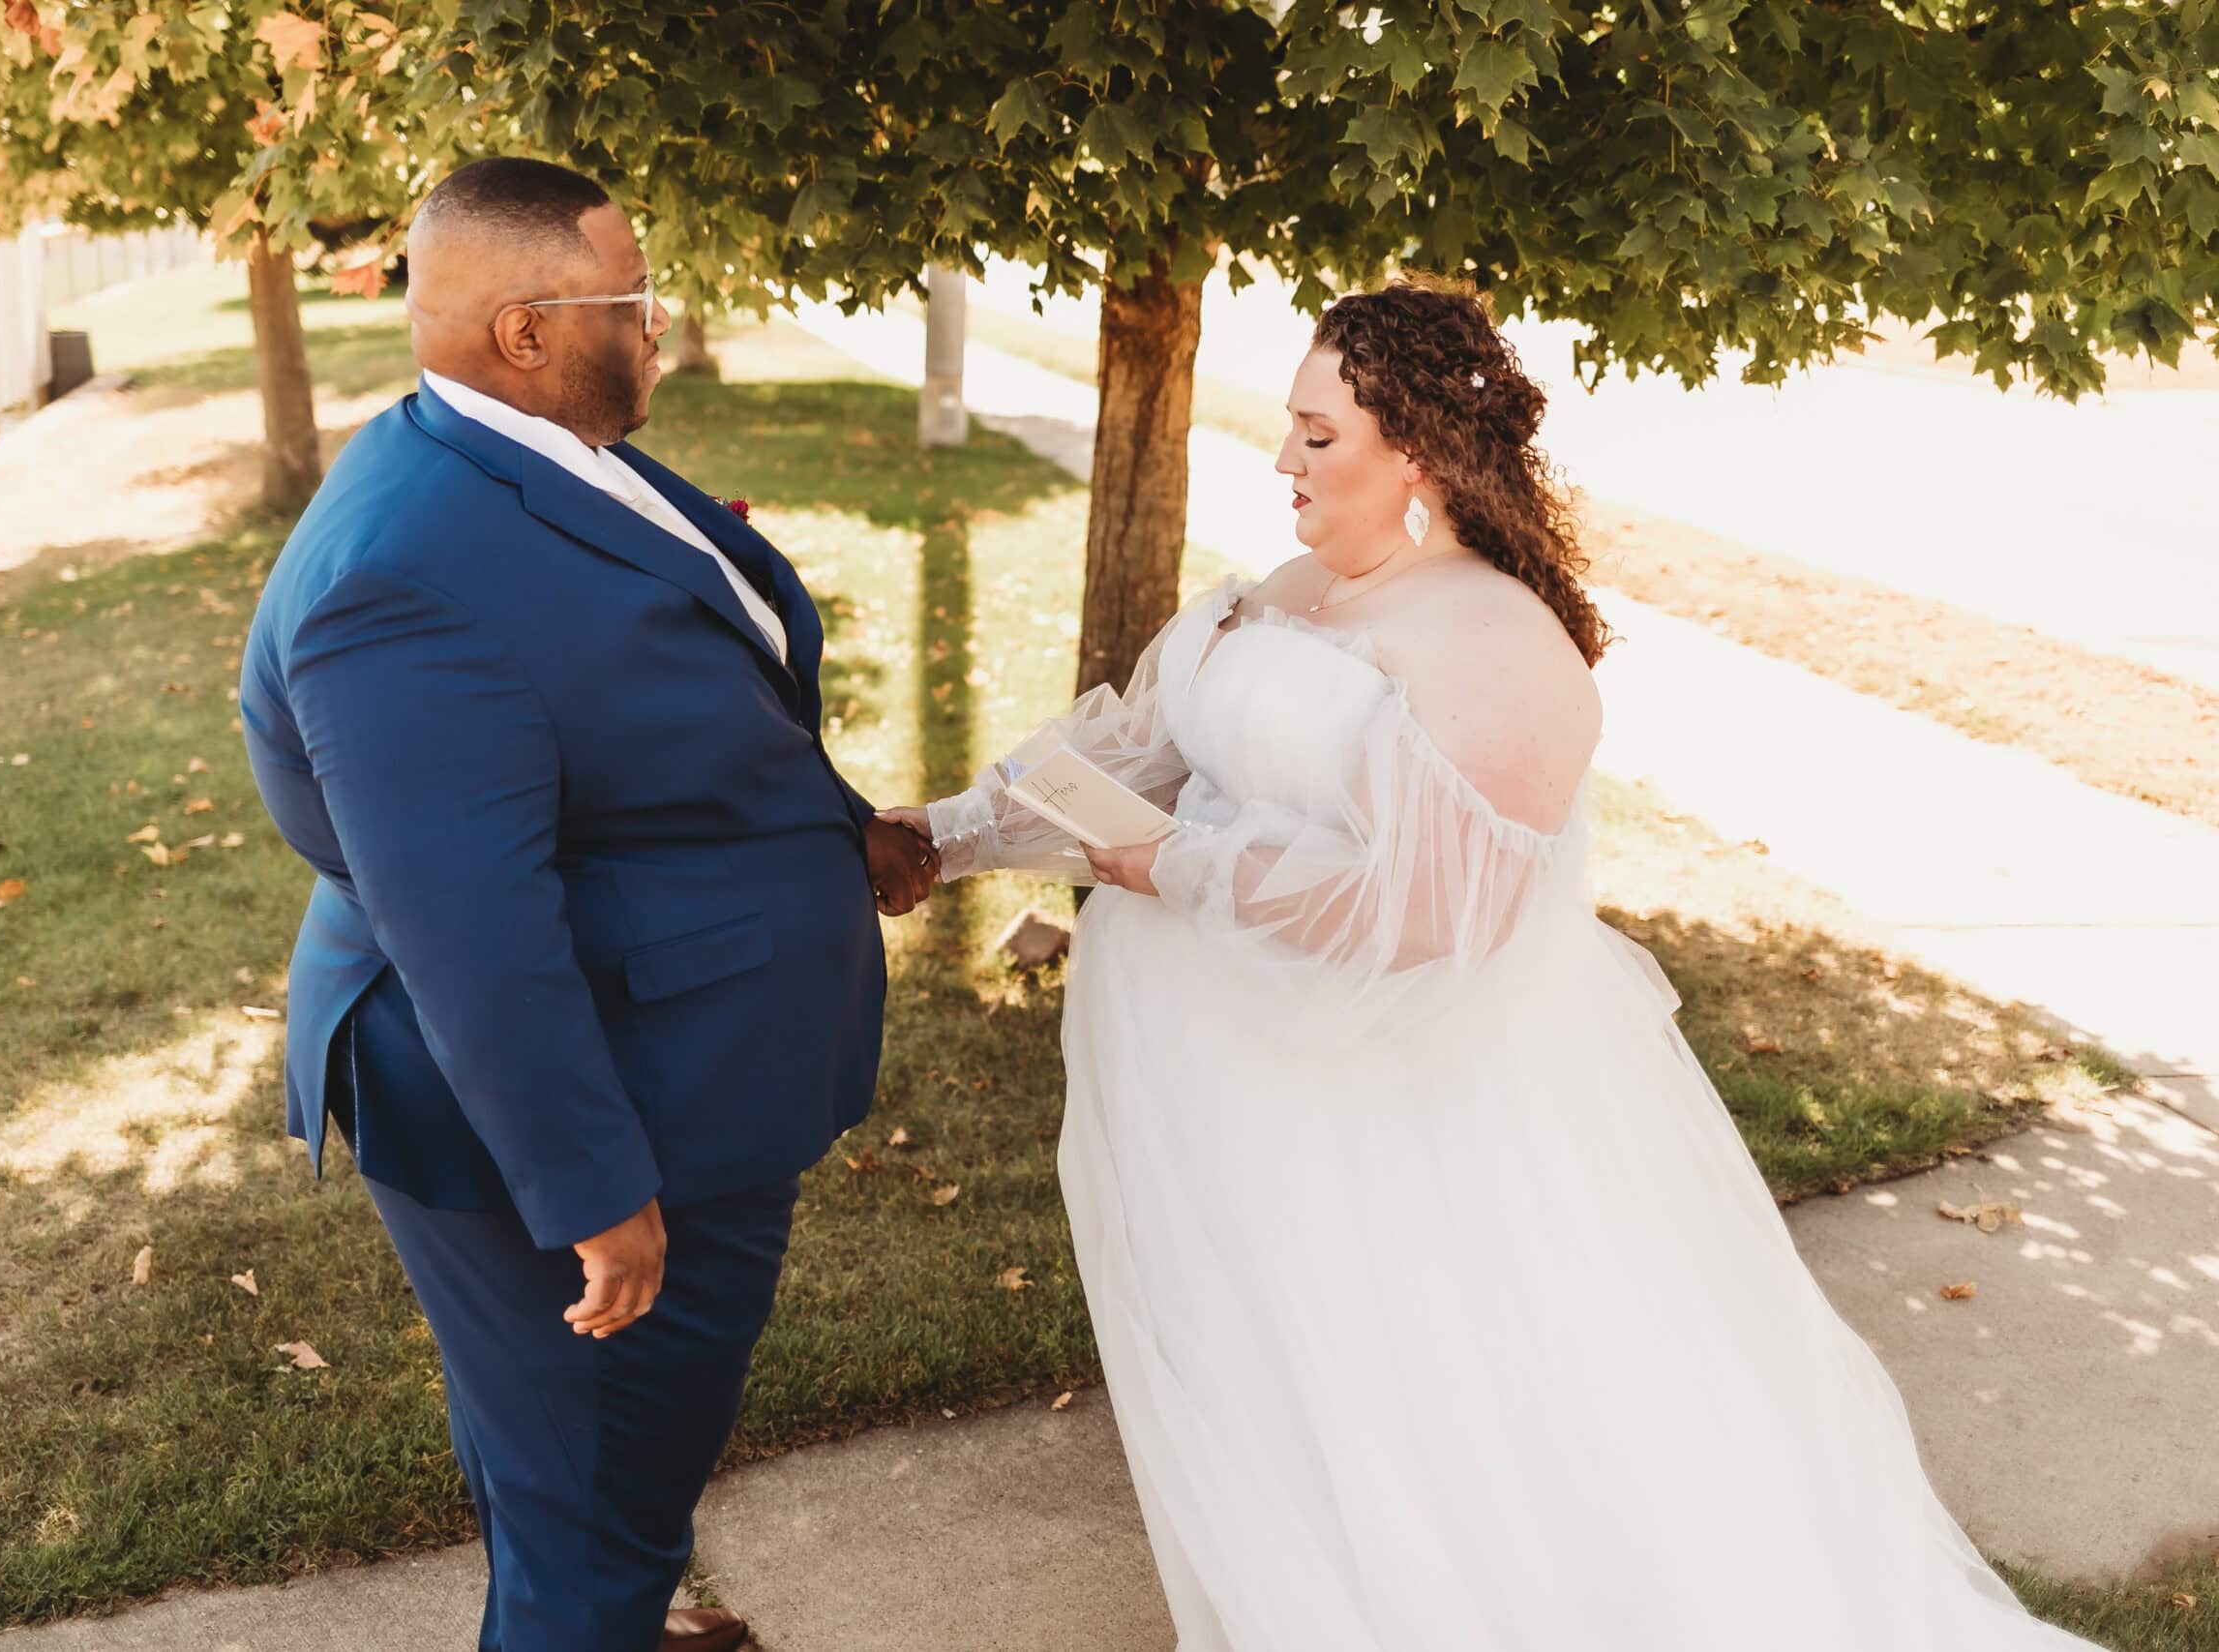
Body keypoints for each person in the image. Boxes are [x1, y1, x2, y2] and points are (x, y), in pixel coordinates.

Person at [885, 282, 2104, 1649]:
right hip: (1221, 1093)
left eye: (1314, 434)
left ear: (1411, 447)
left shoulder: (1501, 649)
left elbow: (1425, 907)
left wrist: (1171, 867)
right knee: (1274, 1386)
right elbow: (1126, 755)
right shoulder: (1281, 597)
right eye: (1288, 430)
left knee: (1417, 1399)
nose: (1281, 460)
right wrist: (934, 838)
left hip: (1388, 1111)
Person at [239, 157, 937, 1652]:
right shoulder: (406, 572)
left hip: (672, 1046)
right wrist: (594, 1197)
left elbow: (651, 706)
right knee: (604, 1475)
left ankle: (589, 1601)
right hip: (598, 1102)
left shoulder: (533, 444)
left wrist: (832, 829)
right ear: (527, 328)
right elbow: (467, 931)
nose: (662, 325)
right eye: (635, 301)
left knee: (573, 1473)